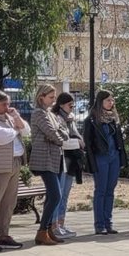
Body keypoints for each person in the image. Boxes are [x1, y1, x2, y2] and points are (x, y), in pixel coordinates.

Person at [0, 91, 30, 251]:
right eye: (4, 104)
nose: (7, 107)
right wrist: (17, 129)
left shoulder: (9, 117)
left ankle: (4, 234)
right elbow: (0, 136)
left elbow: (27, 131)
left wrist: (16, 118)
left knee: (9, 202)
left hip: (14, 163)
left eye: (8, 104)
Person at [30, 85, 69, 245]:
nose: (54, 100)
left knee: (53, 196)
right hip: (44, 159)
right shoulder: (39, 113)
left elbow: (64, 131)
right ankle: (42, 231)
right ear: (41, 97)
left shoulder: (50, 114)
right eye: (51, 97)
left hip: (55, 158)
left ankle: (47, 229)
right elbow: (53, 133)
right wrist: (58, 137)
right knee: (55, 195)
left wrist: (58, 135)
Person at [84, 90, 127, 235]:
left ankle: (108, 223)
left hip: (114, 156)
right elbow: (88, 143)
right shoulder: (91, 120)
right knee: (101, 191)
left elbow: (119, 140)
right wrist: (91, 162)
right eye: (108, 100)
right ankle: (99, 224)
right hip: (100, 157)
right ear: (100, 101)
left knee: (110, 191)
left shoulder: (114, 119)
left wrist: (121, 157)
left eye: (112, 100)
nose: (111, 103)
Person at [53, 92, 85, 238]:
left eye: (73, 104)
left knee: (65, 194)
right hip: (61, 160)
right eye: (69, 104)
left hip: (71, 161)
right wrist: (77, 142)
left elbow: (76, 135)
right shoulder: (57, 118)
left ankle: (62, 223)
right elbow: (62, 140)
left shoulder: (70, 119)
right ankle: (53, 225)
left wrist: (78, 141)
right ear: (61, 105)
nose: (72, 106)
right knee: (58, 194)